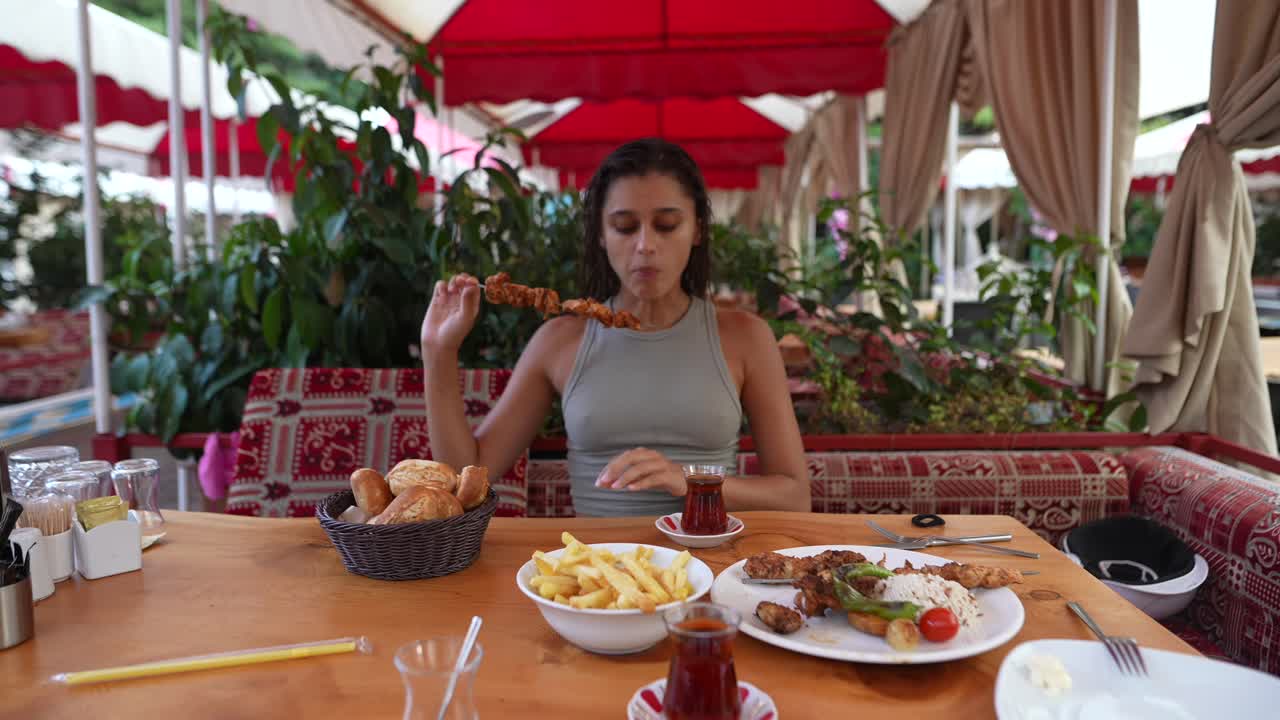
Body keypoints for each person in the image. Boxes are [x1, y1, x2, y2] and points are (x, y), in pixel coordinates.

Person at [419, 138, 809, 517]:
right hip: (594, 573)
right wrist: (438, 353)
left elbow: (794, 496)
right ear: (601, 236)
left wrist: (688, 479)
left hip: (711, 566)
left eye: (667, 225)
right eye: (624, 227)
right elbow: (463, 476)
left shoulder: (746, 338)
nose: (645, 244)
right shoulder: (558, 341)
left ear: (698, 230)